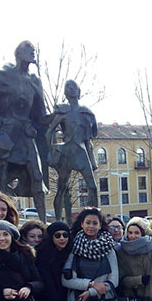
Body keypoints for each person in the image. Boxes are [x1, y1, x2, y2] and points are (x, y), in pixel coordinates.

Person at [0, 40, 48, 220]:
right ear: (18, 54)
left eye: (33, 50)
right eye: (28, 50)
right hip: (4, 135)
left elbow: (40, 117)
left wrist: (61, 117)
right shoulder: (2, 75)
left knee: (37, 176)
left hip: (25, 135)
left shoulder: (34, 81)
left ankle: (44, 224)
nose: (32, 52)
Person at [45, 80, 99, 222]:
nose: (71, 89)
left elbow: (89, 139)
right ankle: (58, 221)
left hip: (81, 152)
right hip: (66, 152)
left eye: (73, 87)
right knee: (61, 188)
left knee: (92, 187)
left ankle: (93, 221)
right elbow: (49, 132)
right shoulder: (63, 111)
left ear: (79, 91)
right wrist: (50, 152)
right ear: (65, 92)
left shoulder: (86, 113)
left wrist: (92, 160)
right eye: (67, 87)